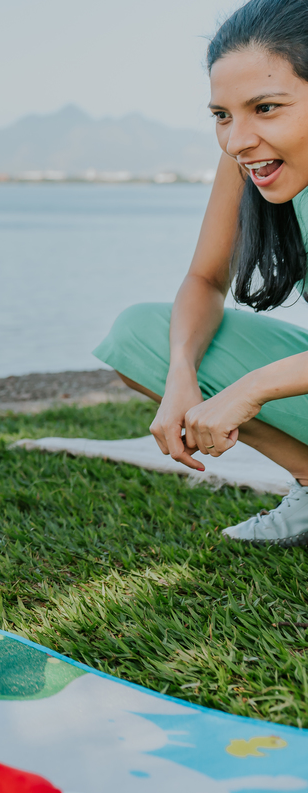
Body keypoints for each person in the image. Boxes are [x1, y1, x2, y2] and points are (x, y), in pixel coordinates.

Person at [96, 0, 308, 546]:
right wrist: (180, 377)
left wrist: (251, 390)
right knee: (141, 333)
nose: (237, 140)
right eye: (222, 115)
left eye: (265, 107)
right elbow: (204, 281)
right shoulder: (251, 158)